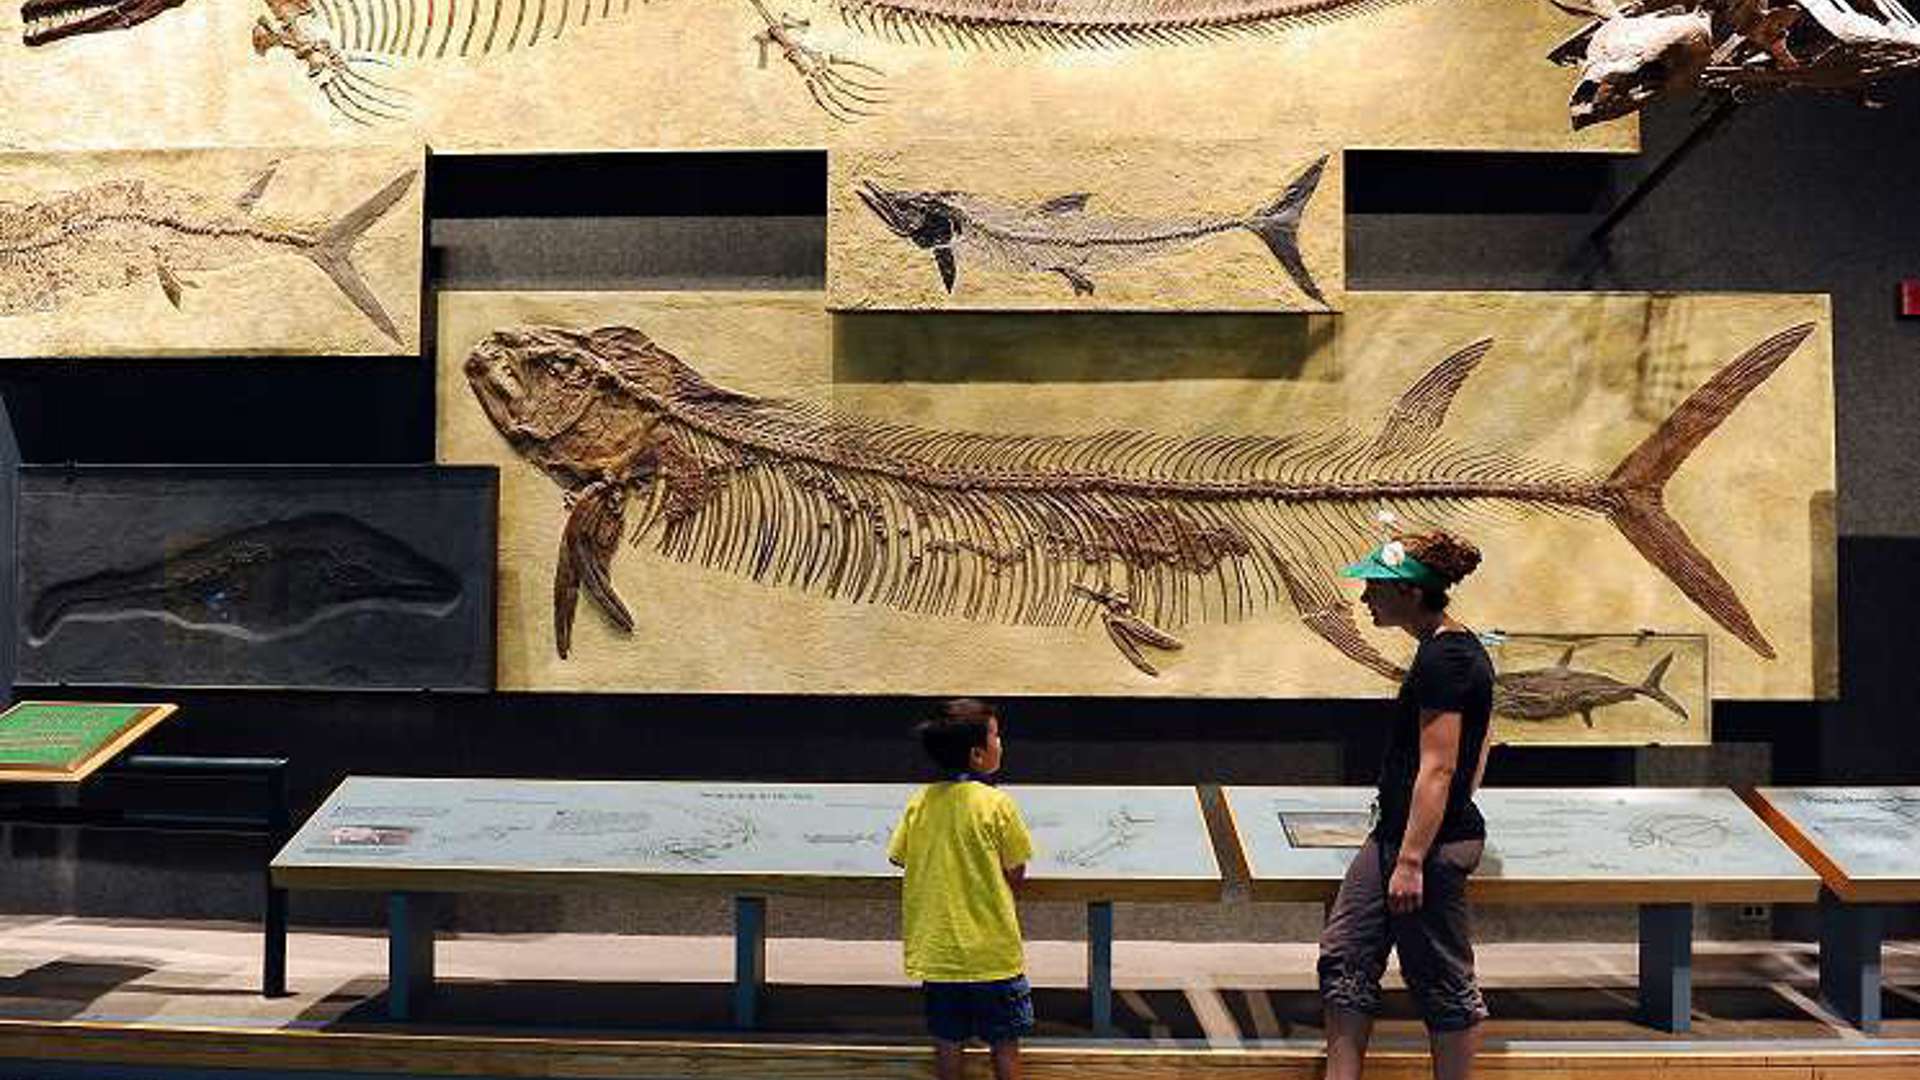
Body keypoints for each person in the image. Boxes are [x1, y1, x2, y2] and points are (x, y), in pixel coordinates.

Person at [1318, 530, 1495, 1080]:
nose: (1366, 597)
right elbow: (1481, 746)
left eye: (1377, 586)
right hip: (1395, 835)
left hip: (1428, 846)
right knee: (1347, 952)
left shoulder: (1449, 658)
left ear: (1412, 594)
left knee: (1440, 975)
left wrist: (1414, 858)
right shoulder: (1442, 651)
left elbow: (1440, 765)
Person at [889, 698, 1035, 1080]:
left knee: (948, 1045)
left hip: (940, 954)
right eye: (996, 736)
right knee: (1004, 1044)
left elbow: (900, 856)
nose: (1001, 744)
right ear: (977, 754)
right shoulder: (998, 804)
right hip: (993, 953)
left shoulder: (920, 803)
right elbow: (1016, 869)